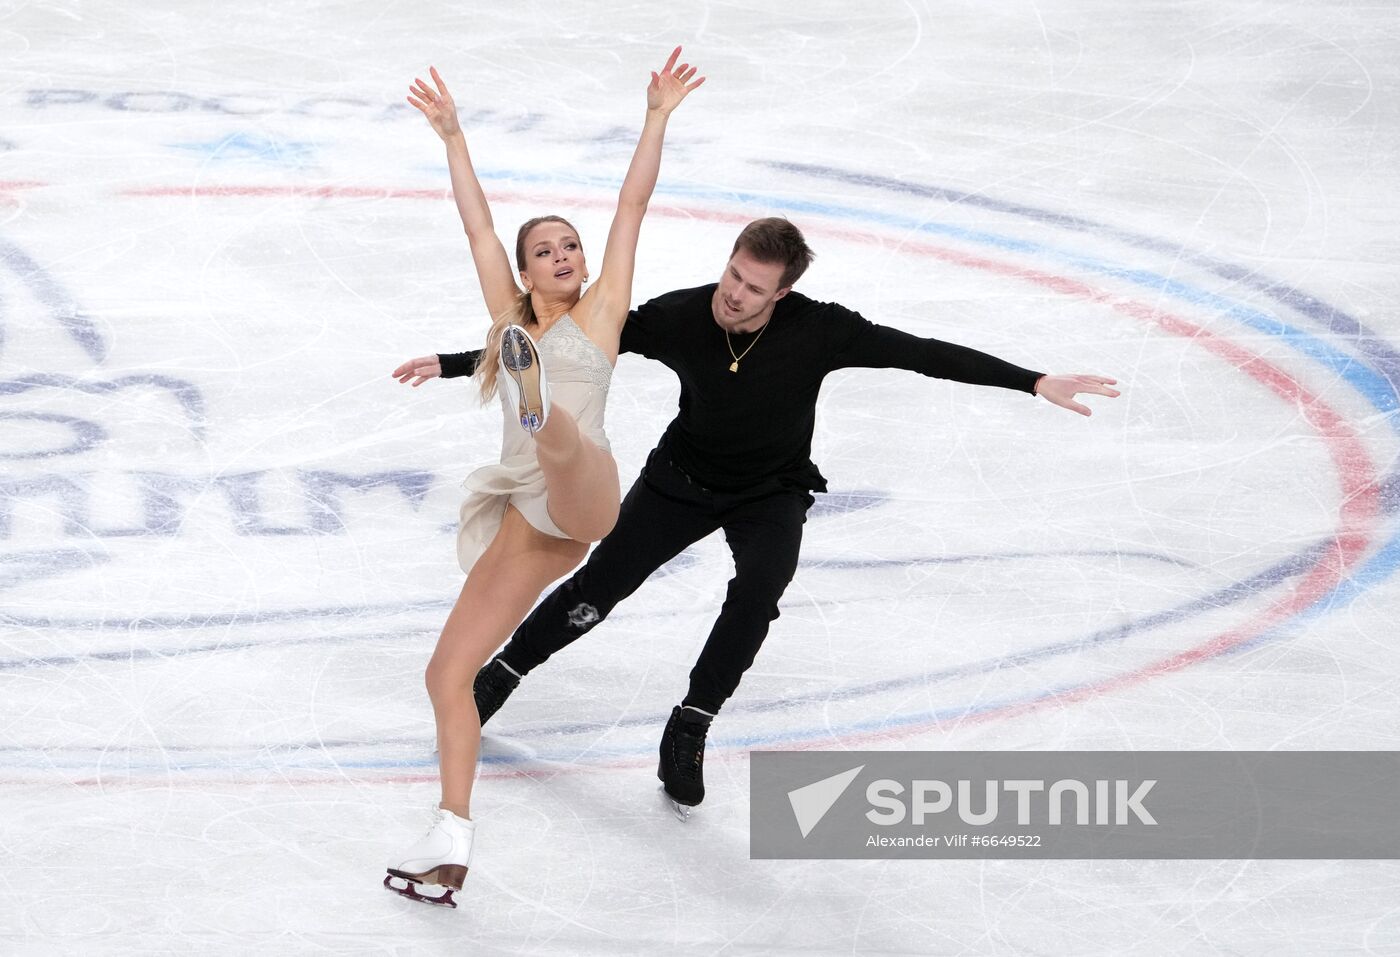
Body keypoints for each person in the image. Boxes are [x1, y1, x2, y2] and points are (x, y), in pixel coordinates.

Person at [395, 217, 1119, 821]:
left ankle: (692, 721)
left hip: (771, 490)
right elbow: (567, 343)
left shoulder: (823, 331)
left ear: (785, 291)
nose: (734, 295)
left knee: (760, 591)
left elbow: (922, 355)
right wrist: (458, 361)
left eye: (754, 288)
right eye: (732, 275)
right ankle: (507, 669)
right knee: (603, 583)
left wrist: (1031, 380)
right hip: (680, 479)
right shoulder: (682, 314)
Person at [383, 48, 705, 907]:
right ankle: (450, 836)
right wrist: (453, 137)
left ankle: (541, 412)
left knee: (564, 444)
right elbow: (478, 228)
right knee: (446, 675)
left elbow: (633, 204)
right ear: (526, 274)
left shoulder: (602, 314)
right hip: (529, 517)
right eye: (546, 251)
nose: (563, 256)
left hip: (586, 488)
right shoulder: (507, 317)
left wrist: (656, 117)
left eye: (571, 247)